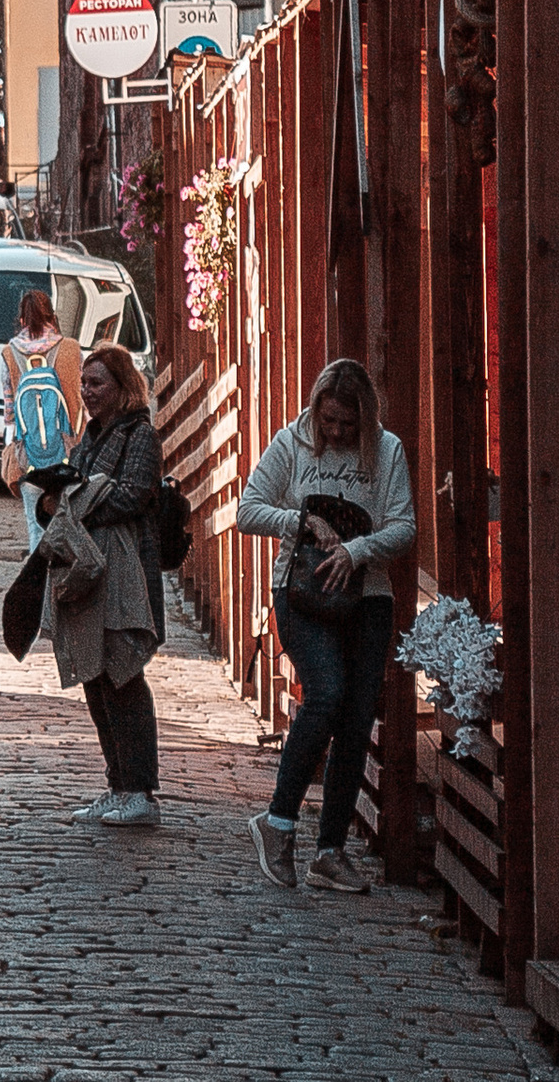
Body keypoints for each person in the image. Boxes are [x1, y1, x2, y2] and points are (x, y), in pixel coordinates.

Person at [236, 358, 415, 893]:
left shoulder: (387, 451)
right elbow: (249, 509)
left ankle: (329, 850)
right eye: (328, 420)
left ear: (366, 418)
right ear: (316, 410)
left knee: (358, 719)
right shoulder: (291, 444)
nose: (336, 432)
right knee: (326, 693)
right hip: (302, 594)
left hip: (368, 597)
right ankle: (277, 821)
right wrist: (301, 520)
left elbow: (404, 525)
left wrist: (358, 550)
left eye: (347, 424)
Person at [53, 342, 164, 829]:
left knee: (123, 675)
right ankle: (118, 785)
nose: (88, 392)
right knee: (96, 677)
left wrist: (79, 498)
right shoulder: (92, 437)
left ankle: (141, 791)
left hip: (126, 572)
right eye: (85, 384)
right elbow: (77, 492)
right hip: (92, 570)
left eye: (97, 383)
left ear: (122, 387)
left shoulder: (140, 434)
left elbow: (134, 494)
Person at [0, 287, 83, 550]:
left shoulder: (8, 354)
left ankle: (40, 587)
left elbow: (10, 413)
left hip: (30, 458)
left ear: (22, 319)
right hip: (69, 455)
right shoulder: (71, 349)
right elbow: (81, 401)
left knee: (36, 530)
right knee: (71, 527)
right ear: (52, 316)